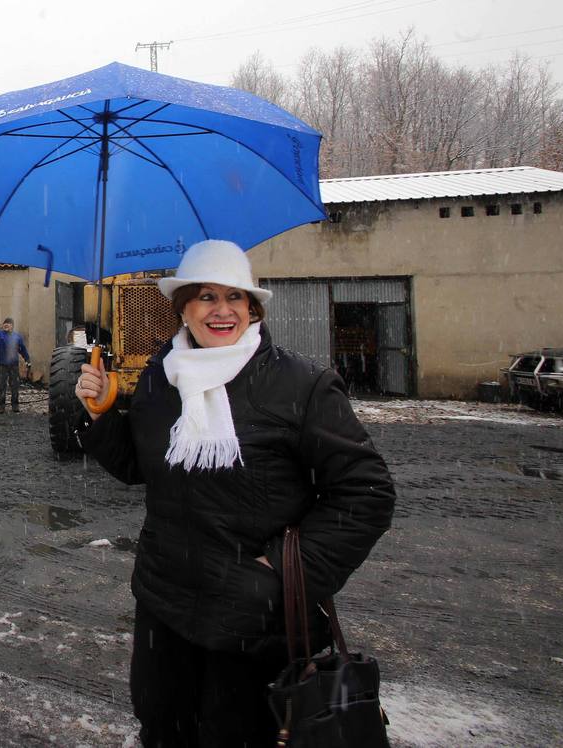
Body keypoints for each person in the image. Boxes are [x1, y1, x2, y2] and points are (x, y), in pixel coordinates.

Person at [73, 240, 395, 748]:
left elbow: (366, 492)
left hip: (255, 620)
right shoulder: (162, 376)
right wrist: (100, 414)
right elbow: (140, 467)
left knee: (239, 738)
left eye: (234, 297)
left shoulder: (300, 384)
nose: (221, 310)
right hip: (165, 607)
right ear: (183, 308)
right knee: (164, 730)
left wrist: (281, 570)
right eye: (205, 297)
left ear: (252, 308)